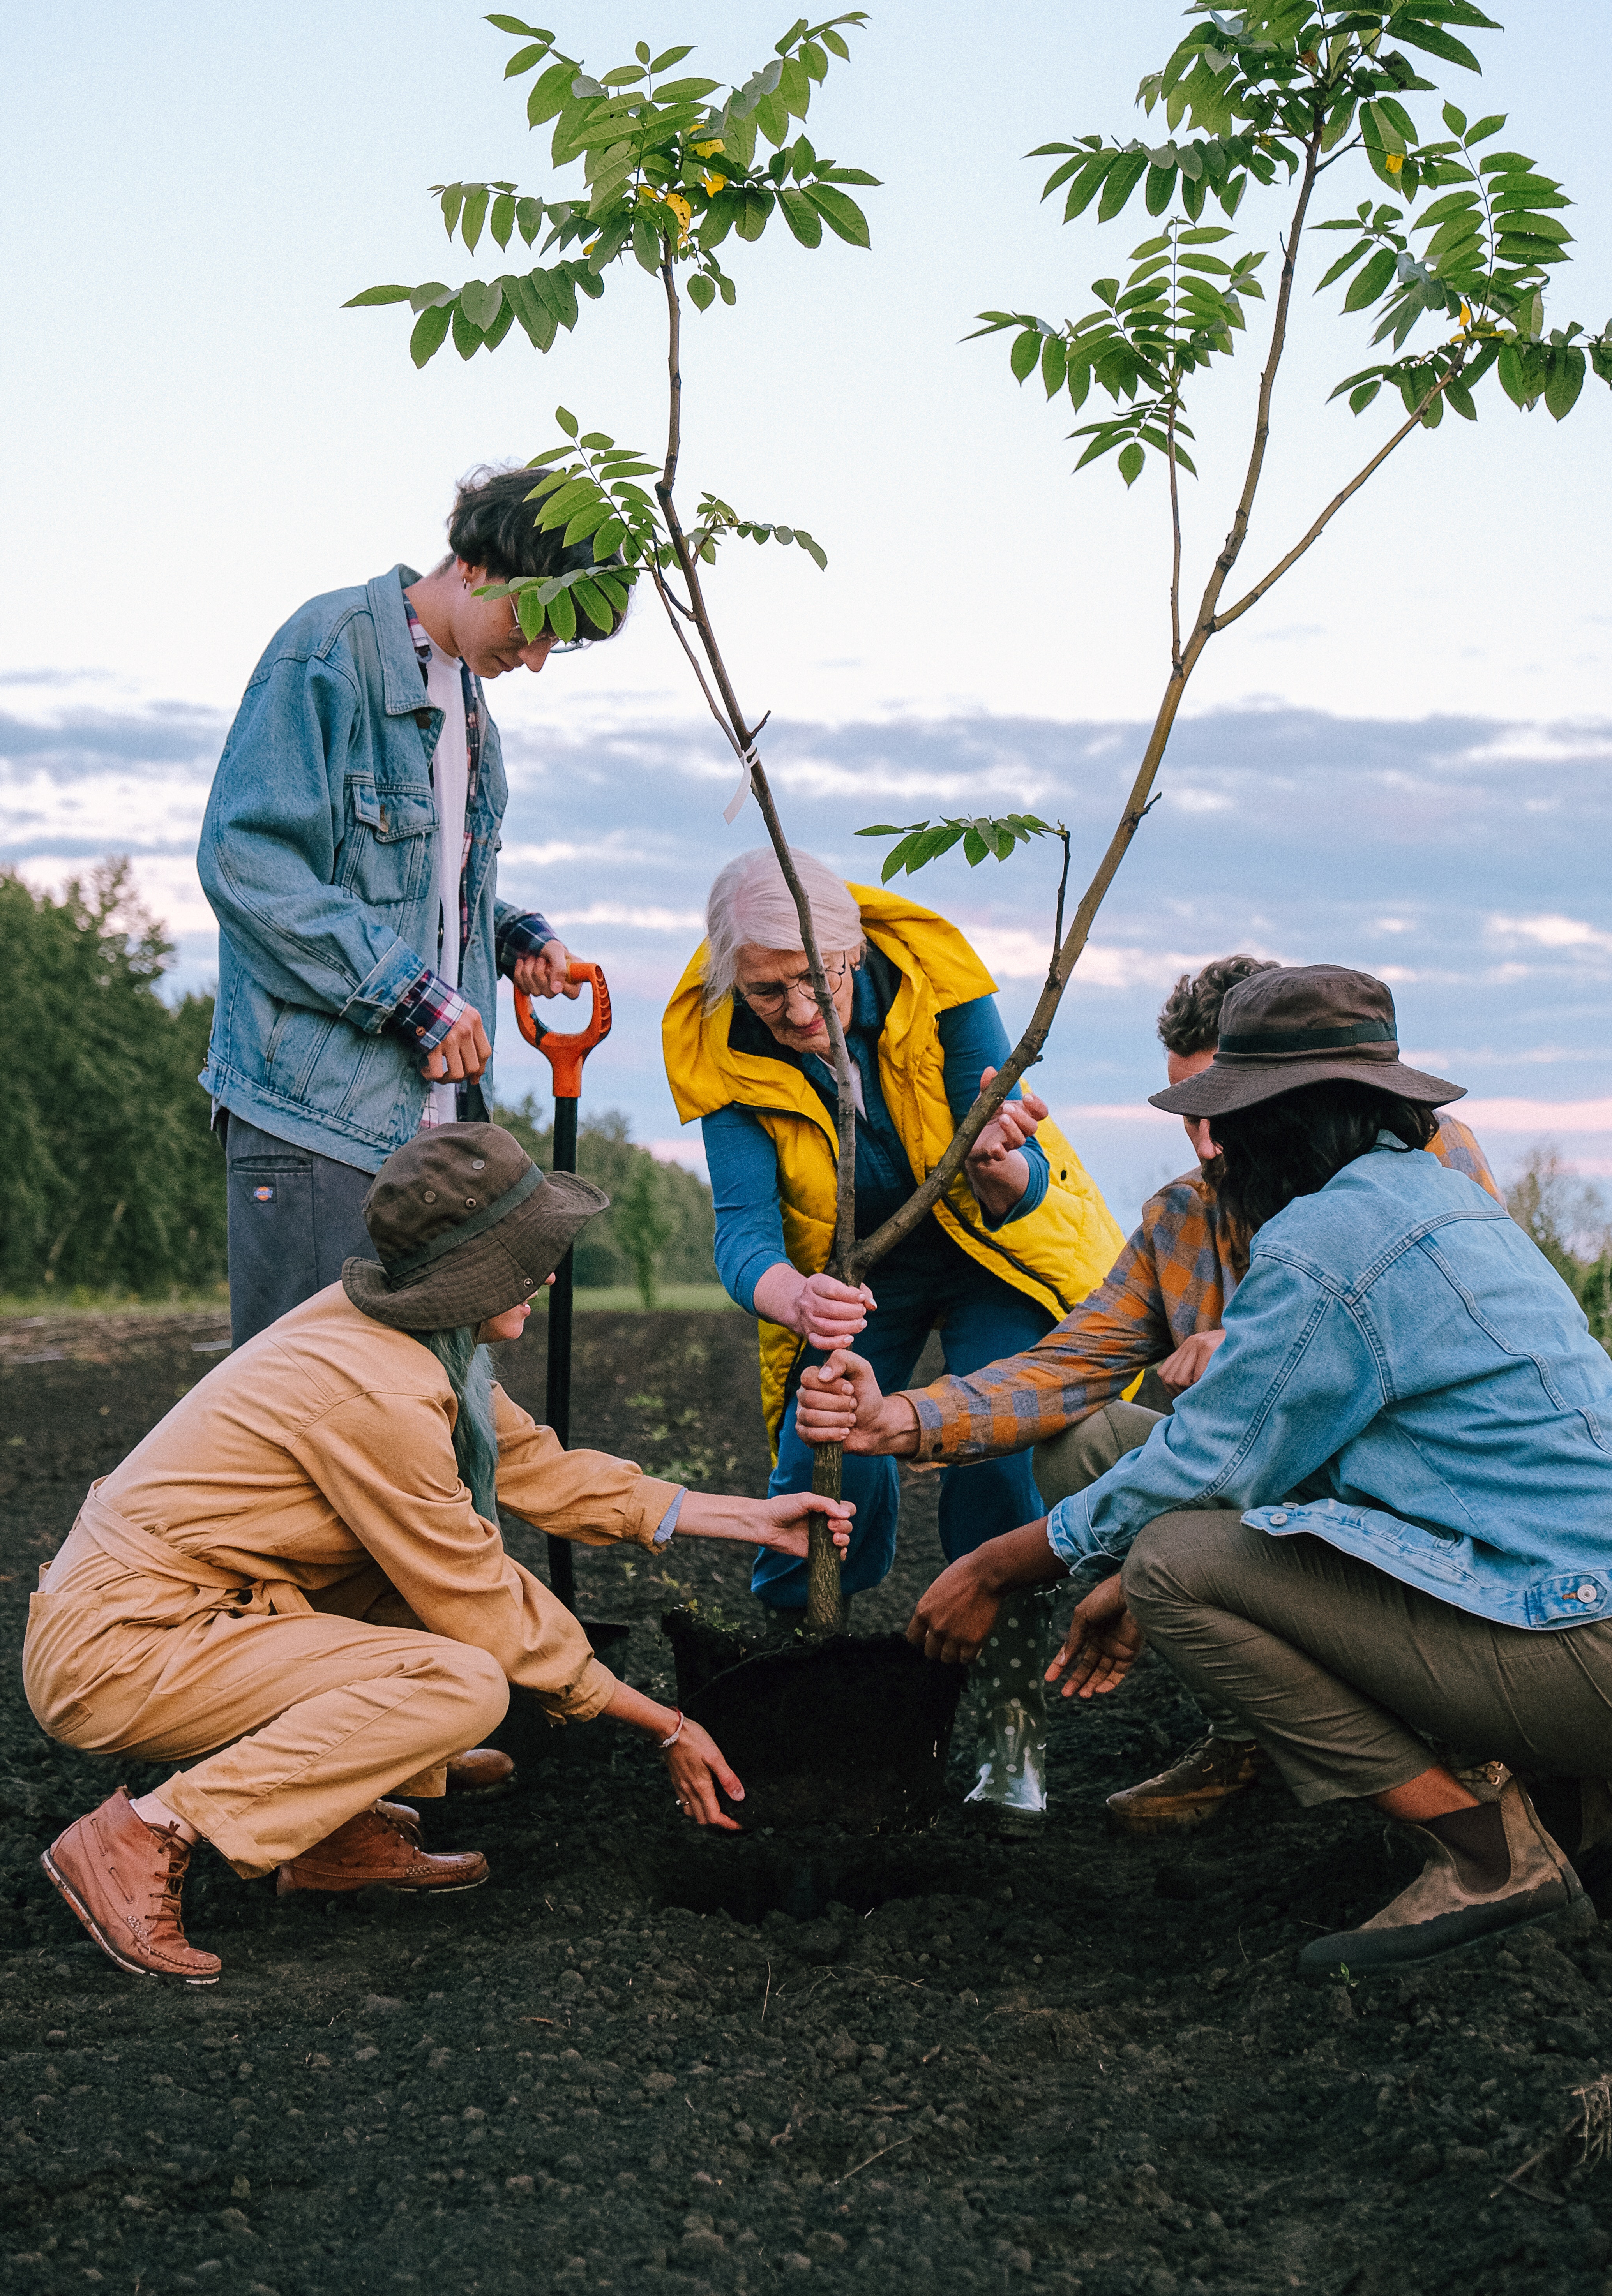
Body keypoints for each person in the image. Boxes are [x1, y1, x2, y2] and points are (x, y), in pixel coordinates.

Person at [899, 964, 1612, 1980]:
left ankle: (1492, 1856)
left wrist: (1001, 1566)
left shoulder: (1327, 1240)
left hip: (1581, 1643)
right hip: (1572, 1600)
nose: (1218, 1150)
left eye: (1231, 1123)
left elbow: (1209, 1464)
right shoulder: (1450, 1207)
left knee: (1178, 1567)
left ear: (1283, 1126)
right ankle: (1571, 1804)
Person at [28, 1124, 854, 1986]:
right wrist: (667, 1726)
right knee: (461, 1681)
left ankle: (330, 1833)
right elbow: (478, 1593)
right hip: (118, 1646)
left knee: (404, 1602)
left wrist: (753, 1519)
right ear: (475, 1272)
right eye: (530, 1256)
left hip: (208, 1610)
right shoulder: (377, 1389)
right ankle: (144, 1835)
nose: (549, 1274)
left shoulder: (425, 1345)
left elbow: (541, 1469)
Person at [797, 955, 1503, 1834]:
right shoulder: (1184, 1218)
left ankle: (1471, 1748)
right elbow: (1067, 1367)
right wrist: (898, 1417)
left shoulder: (1425, 1163)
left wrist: (1261, 1346)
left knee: (1174, 1546)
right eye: (1190, 1113)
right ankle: (1245, 1728)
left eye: (1226, 1108)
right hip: (1253, 1499)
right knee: (1078, 1439)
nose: (1209, 1142)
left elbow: (1448, 1346)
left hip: (1416, 1503)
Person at [662, 846, 1125, 1813]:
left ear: (856, 952)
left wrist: (1001, 1165)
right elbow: (742, 1233)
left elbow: (1016, 1178)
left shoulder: (939, 979)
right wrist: (794, 1297)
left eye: (809, 984)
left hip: (985, 1250)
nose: (793, 1014)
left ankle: (1006, 1730)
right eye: (764, 992)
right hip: (848, 1277)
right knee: (824, 1449)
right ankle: (803, 1682)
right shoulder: (717, 1039)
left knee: (994, 1450)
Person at [198, 463, 618, 1348]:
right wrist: (412, 997)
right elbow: (249, 861)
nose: (537, 659)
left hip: (435, 1128)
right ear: (473, 563)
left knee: (428, 1412)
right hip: (316, 1116)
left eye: (563, 643)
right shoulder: (329, 649)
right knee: (312, 1410)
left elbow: (422, 888)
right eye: (535, 624)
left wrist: (511, 936)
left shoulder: (469, 701)